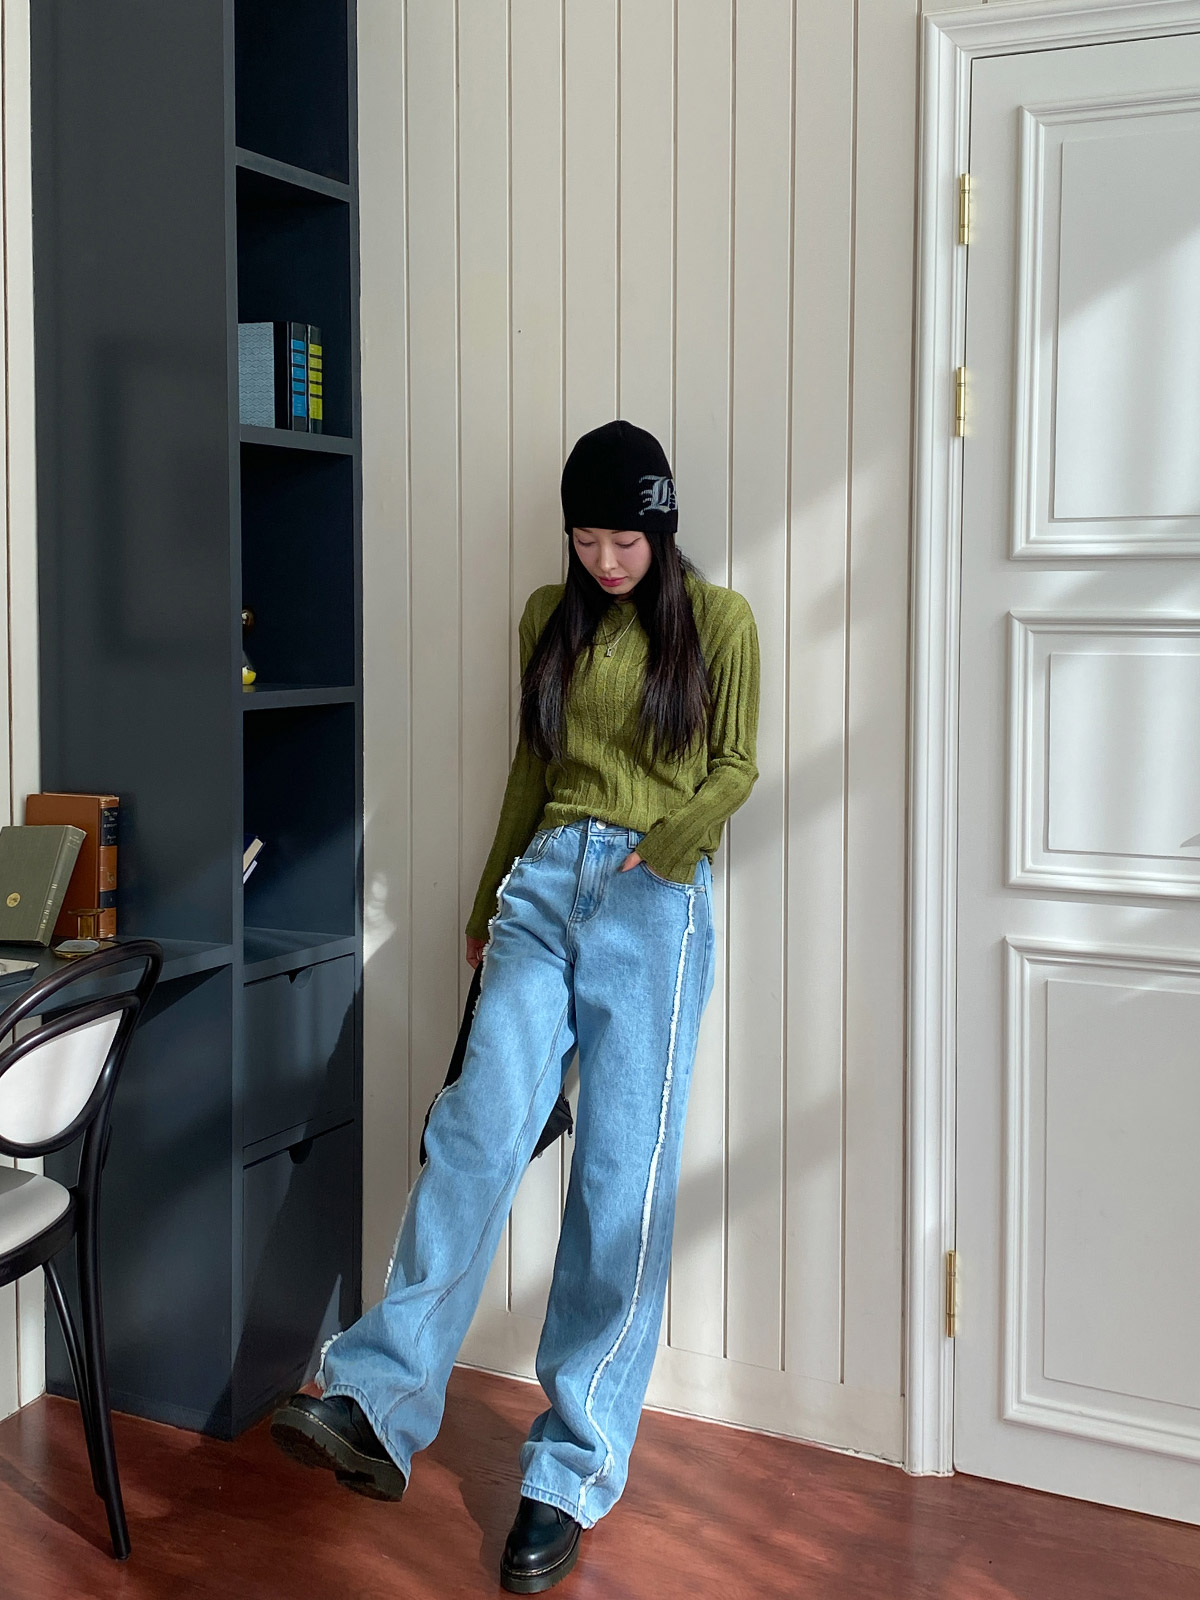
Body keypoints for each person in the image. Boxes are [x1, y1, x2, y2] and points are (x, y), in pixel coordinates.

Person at [270, 419, 761, 1593]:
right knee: (475, 1130)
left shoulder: (721, 621)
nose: (605, 560)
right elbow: (531, 768)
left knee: (619, 1185)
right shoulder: (549, 616)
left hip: (653, 906)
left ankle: (570, 1470)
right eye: (587, 538)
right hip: (542, 892)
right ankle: (376, 1399)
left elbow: (737, 765)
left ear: (661, 527)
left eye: (624, 539)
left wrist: (667, 850)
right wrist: (489, 899)